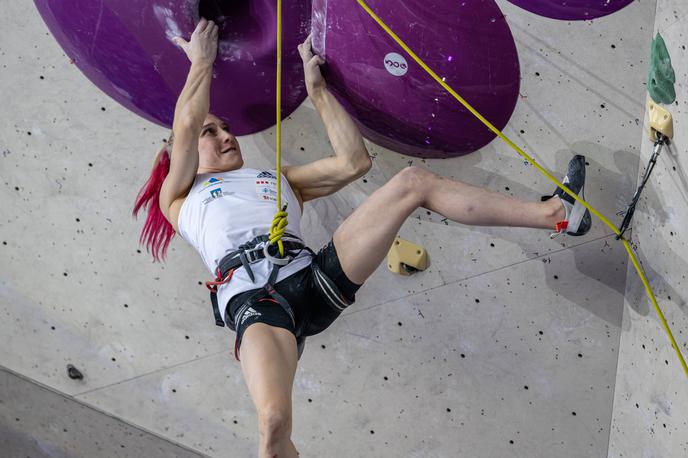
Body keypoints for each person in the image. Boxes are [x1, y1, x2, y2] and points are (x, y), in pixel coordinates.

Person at [133, 18, 591, 458]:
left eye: (226, 127)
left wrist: (319, 93)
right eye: (212, 132)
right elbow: (187, 125)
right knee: (273, 425)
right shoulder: (181, 197)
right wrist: (201, 61)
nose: (224, 134)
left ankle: (556, 213)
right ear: (179, 154)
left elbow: (354, 162)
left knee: (413, 183)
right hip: (257, 305)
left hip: (312, 278)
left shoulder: (278, 179)